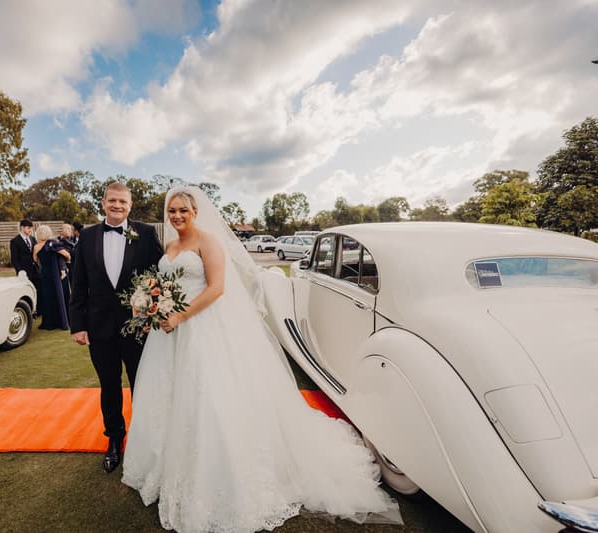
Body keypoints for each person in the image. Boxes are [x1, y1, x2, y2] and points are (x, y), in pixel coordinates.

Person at [122, 187, 401, 532]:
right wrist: (155, 303)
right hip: (170, 335)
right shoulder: (170, 245)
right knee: (171, 396)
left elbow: (216, 288)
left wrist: (180, 315)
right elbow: (166, 283)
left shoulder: (208, 242)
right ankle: (169, 468)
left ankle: (220, 472)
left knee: (209, 397)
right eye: (172, 211)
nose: (177, 216)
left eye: (182, 210)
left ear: (195, 211)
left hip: (202, 327)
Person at [69, 182, 163, 473]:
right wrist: (78, 325)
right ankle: (114, 440)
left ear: (130, 205)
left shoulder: (146, 234)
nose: (117, 205)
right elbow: (78, 283)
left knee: (141, 385)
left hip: (138, 328)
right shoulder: (87, 236)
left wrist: (151, 316)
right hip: (99, 328)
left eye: (123, 201)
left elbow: (158, 277)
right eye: (112, 200)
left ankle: (145, 441)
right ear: (103, 202)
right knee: (109, 386)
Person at [33, 224, 71, 330]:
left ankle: (49, 323)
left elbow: (35, 260)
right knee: (60, 296)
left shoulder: (36, 247)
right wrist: (64, 260)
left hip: (45, 274)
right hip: (56, 274)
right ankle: (62, 321)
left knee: (48, 298)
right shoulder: (54, 244)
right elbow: (67, 255)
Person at [9, 219, 41, 306]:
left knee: (38, 289)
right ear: (22, 228)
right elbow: (14, 259)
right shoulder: (15, 241)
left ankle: (39, 309)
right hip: (24, 272)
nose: (30, 230)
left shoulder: (33, 239)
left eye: (31, 228)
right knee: (26, 292)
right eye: (28, 228)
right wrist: (20, 271)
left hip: (35, 270)